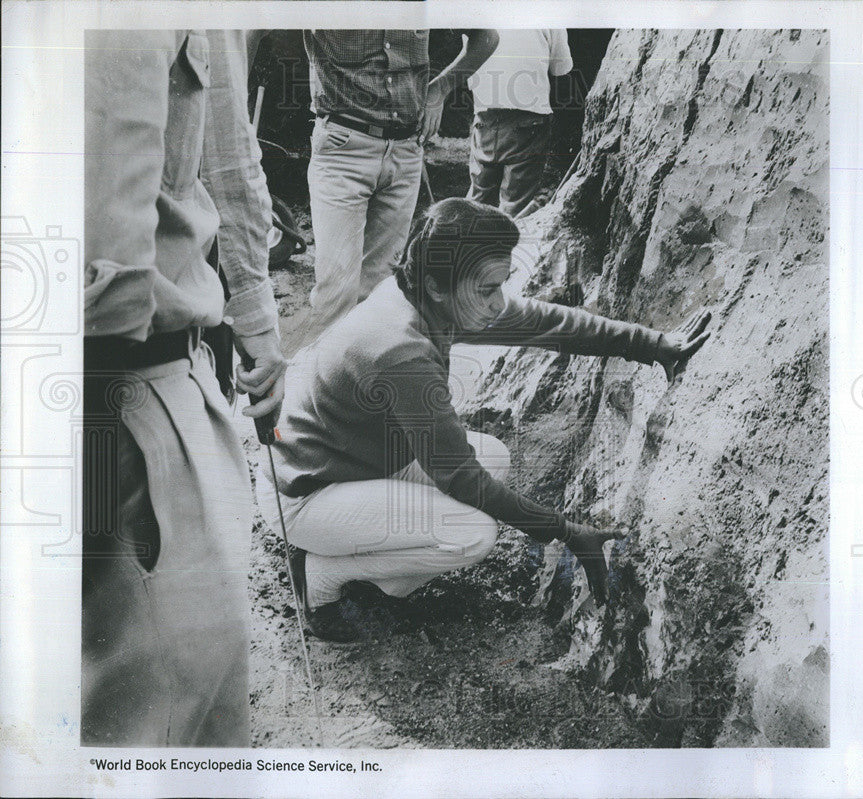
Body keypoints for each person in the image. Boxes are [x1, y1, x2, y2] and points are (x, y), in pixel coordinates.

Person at [259, 198, 710, 643]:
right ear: (439, 286)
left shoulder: (425, 295)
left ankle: (376, 570)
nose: (499, 303)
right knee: (472, 534)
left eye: (501, 284)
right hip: (305, 494)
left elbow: (543, 323)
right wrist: (567, 531)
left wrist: (650, 345)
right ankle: (319, 573)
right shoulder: (400, 349)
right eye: (487, 289)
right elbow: (461, 480)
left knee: (491, 458)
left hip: (355, 462)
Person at [82, 29, 286, 746]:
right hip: (95, 392)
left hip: (148, 382)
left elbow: (227, 151)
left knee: (179, 706)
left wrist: (257, 323)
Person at [302, 29, 499, 333]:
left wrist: (439, 90)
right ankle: (321, 378)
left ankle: (364, 376)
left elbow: (486, 36)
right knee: (336, 292)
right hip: (343, 149)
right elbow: (254, 25)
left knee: (380, 289)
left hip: (406, 152)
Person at [466, 29, 573, 217]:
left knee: (479, 197)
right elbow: (561, 69)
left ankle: (469, 241)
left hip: (485, 113)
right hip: (528, 119)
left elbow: (469, 62)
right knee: (516, 204)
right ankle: (506, 241)